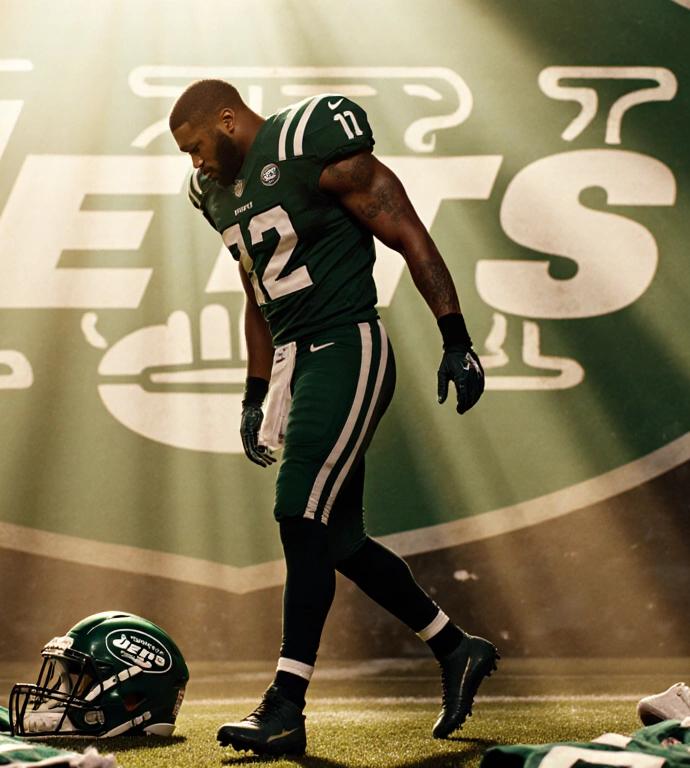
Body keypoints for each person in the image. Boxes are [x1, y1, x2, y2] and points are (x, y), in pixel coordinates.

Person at [169, 78, 496, 756]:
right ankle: (455, 647)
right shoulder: (217, 194)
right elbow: (256, 290)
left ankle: (286, 704)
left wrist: (456, 337)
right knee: (341, 540)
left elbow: (404, 226)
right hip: (297, 360)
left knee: (298, 513)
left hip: (348, 343)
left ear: (228, 120)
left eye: (197, 147)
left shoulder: (306, 140)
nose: (194, 164)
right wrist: (255, 390)